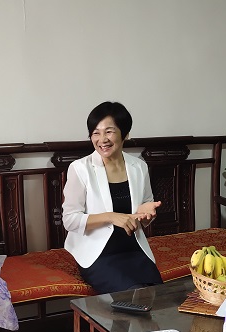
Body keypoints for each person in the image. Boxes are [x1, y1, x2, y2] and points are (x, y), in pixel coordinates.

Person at [62, 101, 163, 294]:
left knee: (158, 295)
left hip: (133, 249)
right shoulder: (80, 168)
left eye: (109, 132)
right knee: (134, 295)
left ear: (125, 134)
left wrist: (146, 214)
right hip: (98, 254)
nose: (102, 139)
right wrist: (110, 217)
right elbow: (69, 220)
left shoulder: (139, 167)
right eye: (96, 133)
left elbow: (144, 208)